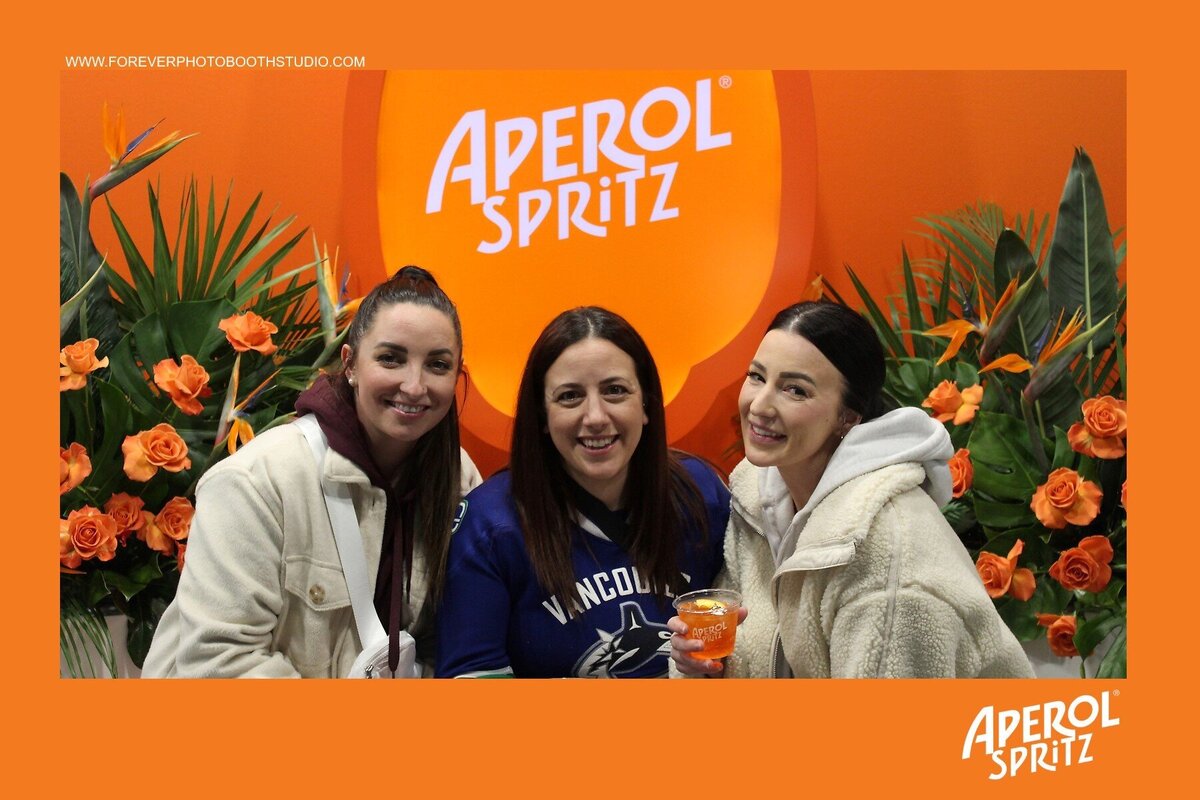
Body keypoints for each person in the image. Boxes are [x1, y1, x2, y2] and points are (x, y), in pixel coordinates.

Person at [143, 266, 481, 677]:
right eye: (391, 359)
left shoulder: (457, 479)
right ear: (350, 364)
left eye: (438, 365)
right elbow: (218, 664)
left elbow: (458, 644)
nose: (414, 385)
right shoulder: (257, 481)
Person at [669, 300, 1033, 678]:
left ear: (848, 417)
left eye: (795, 390)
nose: (760, 405)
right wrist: (705, 667)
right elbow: (756, 654)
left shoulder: (887, 562)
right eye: (757, 377)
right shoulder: (757, 499)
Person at [436, 307, 729, 678]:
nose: (595, 416)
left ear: (647, 405)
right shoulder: (490, 526)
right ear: (541, 416)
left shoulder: (699, 494)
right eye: (570, 396)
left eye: (615, 391)